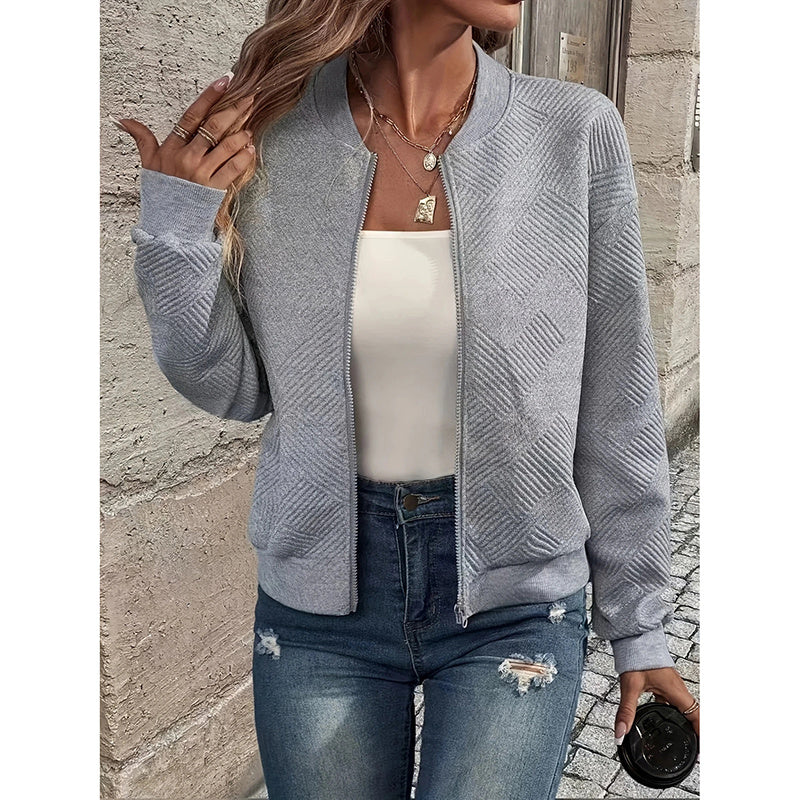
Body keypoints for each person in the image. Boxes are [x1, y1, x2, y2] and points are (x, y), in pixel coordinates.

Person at [112, 1, 700, 798]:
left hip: (517, 597)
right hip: (322, 602)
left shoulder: (574, 132)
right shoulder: (277, 136)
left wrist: (640, 626)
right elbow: (233, 387)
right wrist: (178, 226)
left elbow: (616, 402)